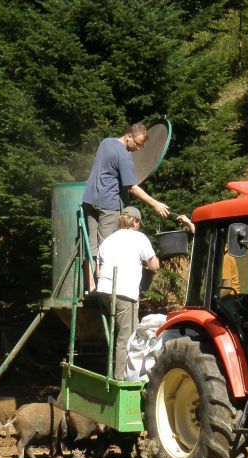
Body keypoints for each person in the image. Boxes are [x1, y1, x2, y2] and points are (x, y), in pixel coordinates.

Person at [82, 123, 170, 264]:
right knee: (107, 249)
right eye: (138, 144)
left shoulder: (106, 142)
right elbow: (132, 188)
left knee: (91, 249)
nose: (138, 148)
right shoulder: (124, 156)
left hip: (89, 200)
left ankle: (91, 285)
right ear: (129, 136)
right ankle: (105, 284)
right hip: (108, 206)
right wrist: (155, 204)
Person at [95, 206, 159, 380]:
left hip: (105, 291)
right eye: (139, 223)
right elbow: (154, 266)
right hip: (124, 293)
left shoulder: (108, 240)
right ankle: (121, 380)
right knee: (127, 338)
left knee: (121, 333)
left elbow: (98, 271)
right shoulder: (139, 238)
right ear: (135, 221)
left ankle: (121, 374)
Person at [177, 214, 240, 294]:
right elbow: (201, 238)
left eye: (206, 235)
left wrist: (211, 300)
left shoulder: (224, 256)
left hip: (228, 300)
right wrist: (189, 224)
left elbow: (227, 288)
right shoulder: (216, 249)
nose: (204, 240)